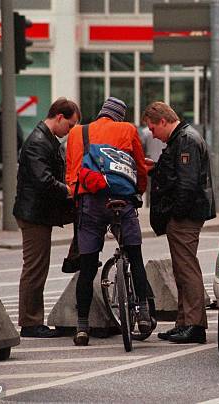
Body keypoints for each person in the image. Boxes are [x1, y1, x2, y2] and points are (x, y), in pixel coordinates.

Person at [66, 97, 150, 346]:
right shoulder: (127, 130)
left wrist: (78, 196)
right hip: (122, 201)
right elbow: (140, 167)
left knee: (88, 266)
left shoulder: (77, 133)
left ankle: (82, 327)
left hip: (90, 203)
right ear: (119, 116)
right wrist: (139, 192)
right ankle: (143, 313)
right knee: (134, 257)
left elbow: (72, 171)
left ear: (101, 112)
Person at [142, 101, 216, 344]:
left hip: (186, 215)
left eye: (153, 128)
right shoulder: (181, 138)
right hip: (186, 213)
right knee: (181, 269)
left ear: (163, 121)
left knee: (186, 269)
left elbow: (187, 183)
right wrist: (156, 169)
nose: (153, 134)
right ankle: (184, 322)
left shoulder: (185, 140)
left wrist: (176, 213)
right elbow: (177, 174)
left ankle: (194, 325)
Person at [13, 98, 80, 338]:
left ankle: (32, 320)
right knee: (35, 268)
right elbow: (44, 181)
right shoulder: (38, 142)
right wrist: (68, 190)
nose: (70, 131)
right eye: (70, 125)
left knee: (37, 267)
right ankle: (30, 323)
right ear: (59, 117)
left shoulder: (47, 140)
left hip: (40, 212)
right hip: (34, 215)